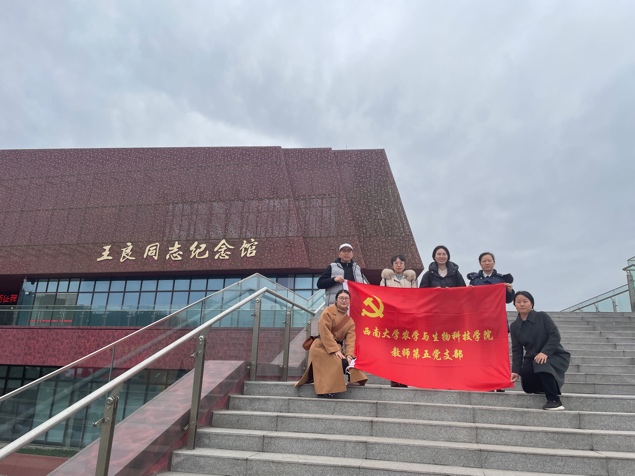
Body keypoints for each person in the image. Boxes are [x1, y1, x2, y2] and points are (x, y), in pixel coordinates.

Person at [295, 290, 368, 398]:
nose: (344, 300)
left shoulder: (350, 321)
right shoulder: (327, 312)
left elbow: (350, 340)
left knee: (349, 362)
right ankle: (325, 390)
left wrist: (349, 355)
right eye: (341, 298)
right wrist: (335, 350)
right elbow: (325, 332)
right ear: (336, 300)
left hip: (335, 348)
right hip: (321, 347)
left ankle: (353, 379)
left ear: (349, 301)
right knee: (335, 361)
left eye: (346, 298)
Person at [510, 291, 571, 411]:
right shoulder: (514, 326)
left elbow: (555, 336)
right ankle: (543, 387)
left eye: (525, 301)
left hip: (554, 354)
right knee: (528, 383)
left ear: (532, 303)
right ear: (515, 305)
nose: (522, 304)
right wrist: (515, 370)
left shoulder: (542, 317)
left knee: (541, 363)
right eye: (518, 302)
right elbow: (517, 349)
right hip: (532, 357)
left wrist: (545, 352)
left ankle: (554, 400)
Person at [381, 254, 417, 387]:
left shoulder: (411, 280)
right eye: (396, 262)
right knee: (393, 349)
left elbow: (416, 297)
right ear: (392, 265)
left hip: (406, 318)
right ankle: (394, 377)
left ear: (405, 264)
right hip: (392, 319)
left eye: (401, 262)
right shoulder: (386, 280)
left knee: (405, 349)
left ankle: (404, 378)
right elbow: (381, 296)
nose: (399, 265)